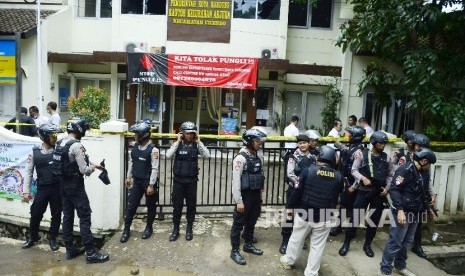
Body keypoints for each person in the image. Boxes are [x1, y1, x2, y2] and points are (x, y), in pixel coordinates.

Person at [280, 146, 343, 275]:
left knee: (296, 238)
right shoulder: (338, 176)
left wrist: (290, 208)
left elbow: (296, 191)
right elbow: (338, 194)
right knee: (318, 245)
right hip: (325, 215)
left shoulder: (307, 171)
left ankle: (288, 261)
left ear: (319, 156)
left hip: (305, 212)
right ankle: (311, 272)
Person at [53, 118, 109, 263]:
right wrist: (92, 169)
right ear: (79, 129)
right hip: (75, 185)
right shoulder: (77, 145)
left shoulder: (60, 142)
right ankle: (90, 253)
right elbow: (84, 169)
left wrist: (96, 165)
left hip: (62, 184)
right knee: (84, 215)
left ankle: (70, 249)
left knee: (68, 216)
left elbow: (72, 161)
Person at [379, 148, 437, 276]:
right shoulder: (405, 170)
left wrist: (428, 209)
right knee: (396, 242)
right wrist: (400, 210)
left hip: (415, 212)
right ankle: (385, 270)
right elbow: (394, 189)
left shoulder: (424, 173)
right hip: (402, 212)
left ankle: (400, 266)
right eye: (429, 164)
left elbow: (423, 192)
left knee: (407, 242)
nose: (429, 167)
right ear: (423, 161)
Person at [339, 131, 394, 258]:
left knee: (374, 220)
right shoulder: (362, 154)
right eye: (380, 143)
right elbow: (354, 170)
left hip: (378, 193)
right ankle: (346, 243)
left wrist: (387, 188)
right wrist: (363, 178)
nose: (383, 145)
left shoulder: (387, 157)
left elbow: (391, 174)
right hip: (363, 191)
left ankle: (367, 245)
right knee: (356, 218)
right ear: (374, 142)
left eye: (384, 143)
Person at [22, 123, 63, 251]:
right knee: (35, 214)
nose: (55, 138)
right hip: (42, 189)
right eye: (53, 136)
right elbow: (28, 172)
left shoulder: (59, 151)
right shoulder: (35, 152)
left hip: (57, 188)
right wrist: (26, 191)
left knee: (56, 215)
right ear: (45, 136)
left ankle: (52, 239)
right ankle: (33, 237)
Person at [166, 121, 210, 241]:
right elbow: (168, 155)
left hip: (191, 181)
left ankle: (189, 228)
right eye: (187, 133)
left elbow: (207, 155)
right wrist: (177, 141)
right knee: (177, 206)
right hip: (178, 181)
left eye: (191, 133)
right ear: (182, 134)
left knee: (191, 206)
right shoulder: (178, 144)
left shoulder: (196, 145)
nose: (189, 136)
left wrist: (199, 142)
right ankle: (175, 229)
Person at [230, 128, 267, 265]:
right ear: (249, 141)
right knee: (238, 224)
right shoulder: (240, 158)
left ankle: (248, 244)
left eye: (260, 141)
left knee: (252, 221)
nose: (260, 144)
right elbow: (236, 181)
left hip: (255, 195)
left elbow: (260, 177)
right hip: (244, 196)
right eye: (257, 141)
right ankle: (234, 250)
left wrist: (260, 197)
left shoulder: (256, 156)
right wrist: (239, 201)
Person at [279, 133, 319, 254]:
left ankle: (298, 241)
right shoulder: (293, 157)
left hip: (307, 192)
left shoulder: (313, 157)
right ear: (298, 144)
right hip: (294, 190)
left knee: (302, 217)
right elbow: (290, 174)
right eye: (300, 143)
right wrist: (301, 183)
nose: (302, 145)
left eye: (304, 143)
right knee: (289, 215)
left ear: (309, 143)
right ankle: (285, 241)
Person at [120, 122, 159, 243]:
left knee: (150, 206)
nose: (134, 136)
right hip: (137, 181)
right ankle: (126, 229)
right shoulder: (135, 147)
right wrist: (128, 177)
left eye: (136, 134)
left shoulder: (153, 150)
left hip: (148, 183)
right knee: (131, 206)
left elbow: (155, 168)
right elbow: (132, 162)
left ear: (143, 135)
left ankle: (149, 228)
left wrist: (151, 185)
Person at [330, 126, 366, 236]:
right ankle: (339, 226)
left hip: (353, 184)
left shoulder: (359, 152)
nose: (347, 136)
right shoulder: (351, 148)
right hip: (346, 181)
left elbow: (360, 172)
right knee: (343, 205)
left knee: (354, 208)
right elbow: (343, 150)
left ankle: (352, 231)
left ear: (355, 137)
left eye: (349, 135)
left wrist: (354, 186)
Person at [409, 133, 436, 259]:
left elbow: (427, 178)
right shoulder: (404, 156)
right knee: (403, 223)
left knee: (418, 222)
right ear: (413, 145)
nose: (420, 148)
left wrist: (432, 193)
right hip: (408, 196)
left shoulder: (426, 158)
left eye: (424, 146)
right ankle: (400, 248)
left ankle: (417, 246)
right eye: (418, 146)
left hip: (421, 196)